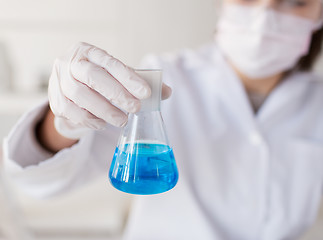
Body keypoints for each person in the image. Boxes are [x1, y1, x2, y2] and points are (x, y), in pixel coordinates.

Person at [3, 0, 323, 238]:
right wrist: (64, 122)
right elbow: (42, 181)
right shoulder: (164, 78)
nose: (264, 17)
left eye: (295, 1)